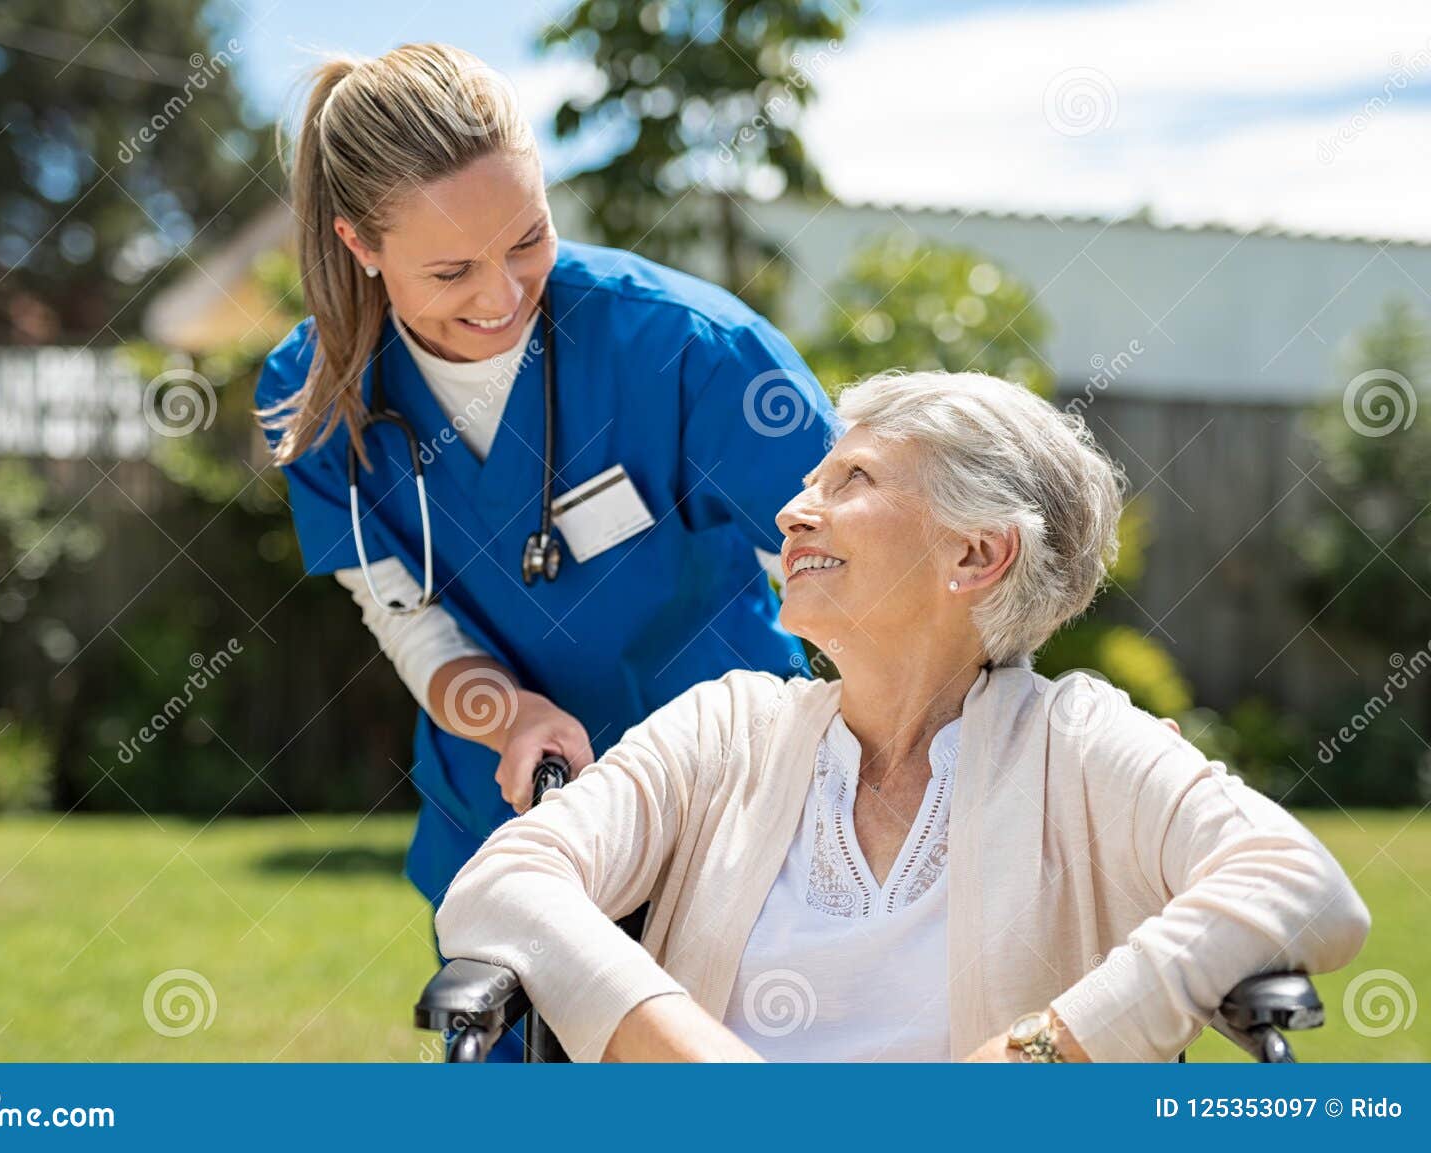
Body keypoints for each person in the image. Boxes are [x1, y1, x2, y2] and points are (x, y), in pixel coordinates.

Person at [435, 368, 1372, 1062]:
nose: (796, 511)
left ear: (975, 555)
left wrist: (1042, 1056)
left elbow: (1304, 885)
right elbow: (501, 885)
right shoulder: (726, 728)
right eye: (811, 482)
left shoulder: (1079, 742)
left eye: (852, 481)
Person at [253, 44, 838, 1056]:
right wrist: (504, 711)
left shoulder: (691, 351)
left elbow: (864, 581)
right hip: (508, 826)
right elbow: (405, 614)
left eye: (528, 237)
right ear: (358, 242)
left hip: (729, 823)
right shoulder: (315, 397)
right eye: (449, 270)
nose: (502, 293)